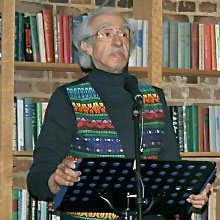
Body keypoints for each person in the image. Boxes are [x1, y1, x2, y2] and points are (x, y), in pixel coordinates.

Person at [27, 7, 211, 220]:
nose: (117, 41)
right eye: (106, 34)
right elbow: (38, 177)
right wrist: (55, 180)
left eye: (123, 34)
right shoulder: (67, 97)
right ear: (86, 46)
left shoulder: (153, 97)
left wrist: (191, 190)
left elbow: (171, 166)